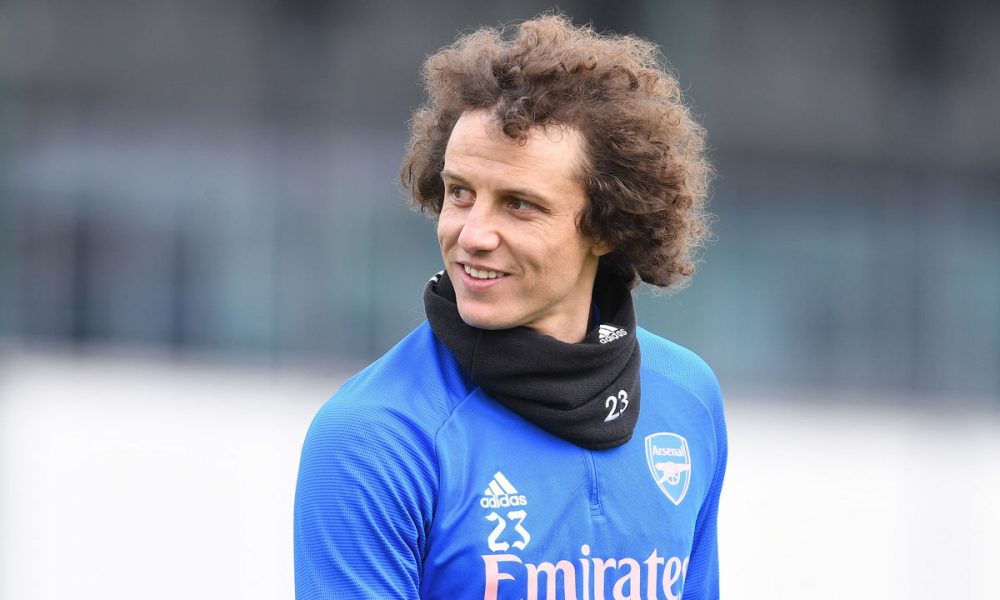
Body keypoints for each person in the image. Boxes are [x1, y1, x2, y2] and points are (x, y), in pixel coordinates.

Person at [294, 14, 726, 600]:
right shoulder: (374, 437)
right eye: (460, 193)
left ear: (606, 226)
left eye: (519, 204)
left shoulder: (687, 397)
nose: (472, 234)